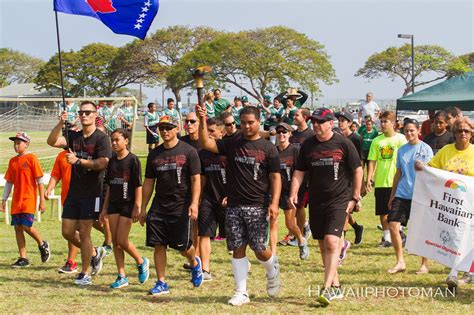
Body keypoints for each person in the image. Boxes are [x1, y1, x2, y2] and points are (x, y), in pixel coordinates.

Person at [197, 105, 282, 306]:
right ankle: (241, 292)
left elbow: (275, 177)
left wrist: (275, 203)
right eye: (243, 122)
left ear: (258, 122)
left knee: (260, 249)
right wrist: (202, 119)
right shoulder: (233, 142)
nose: (246, 126)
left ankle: (272, 270)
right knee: (237, 248)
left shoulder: (268, 148)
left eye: (250, 122)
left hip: (257, 205)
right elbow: (206, 143)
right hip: (234, 205)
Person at [289, 108, 363, 306]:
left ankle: (327, 288)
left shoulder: (343, 143)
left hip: (339, 200)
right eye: (314, 122)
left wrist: (356, 196)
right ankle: (337, 286)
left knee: (332, 242)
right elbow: (299, 171)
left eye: (320, 122)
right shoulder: (307, 145)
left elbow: (357, 169)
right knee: (323, 245)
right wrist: (294, 191)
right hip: (317, 200)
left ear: (331, 123)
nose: (316, 125)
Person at [47, 101, 111, 285]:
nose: (83, 115)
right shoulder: (73, 137)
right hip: (74, 192)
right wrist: (60, 124)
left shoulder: (101, 138)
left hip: (93, 192)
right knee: (67, 232)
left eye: (87, 112)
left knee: (84, 232)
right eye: (81, 112)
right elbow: (52, 141)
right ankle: (94, 253)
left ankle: (85, 273)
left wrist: (79, 161)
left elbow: (102, 163)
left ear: (94, 115)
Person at [141, 115, 203, 295]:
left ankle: (194, 262)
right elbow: (148, 182)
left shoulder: (189, 151)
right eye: (162, 128)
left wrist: (194, 203)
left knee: (183, 248)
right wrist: (143, 207)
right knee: (158, 244)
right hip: (159, 206)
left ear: (177, 129)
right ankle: (161, 282)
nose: (165, 131)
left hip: (181, 205)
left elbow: (195, 179)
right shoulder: (154, 154)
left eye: (169, 127)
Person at [417, 117, 473, 290]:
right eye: (459, 131)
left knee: (468, 238)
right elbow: (432, 170)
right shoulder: (446, 151)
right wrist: (422, 167)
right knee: (455, 238)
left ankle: (466, 272)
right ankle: (454, 274)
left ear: (471, 133)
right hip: (449, 204)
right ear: (454, 133)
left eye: (466, 131)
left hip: (470, 204)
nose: (462, 133)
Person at [99, 129, 150, 289]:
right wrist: (104, 209)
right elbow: (108, 186)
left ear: (126, 141)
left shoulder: (133, 160)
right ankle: (122, 276)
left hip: (128, 204)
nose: (114, 143)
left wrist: (138, 207)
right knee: (115, 242)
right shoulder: (112, 161)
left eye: (117, 140)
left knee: (122, 239)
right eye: (112, 140)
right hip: (113, 204)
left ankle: (141, 261)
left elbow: (138, 186)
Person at [386, 119, 433, 274]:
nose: (409, 133)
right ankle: (400, 261)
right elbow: (398, 173)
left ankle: (424, 264)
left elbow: (431, 172)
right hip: (402, 193)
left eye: (412, 130)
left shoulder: (426, 149)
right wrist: (392, 194)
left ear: (418, 130)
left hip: (420, 195)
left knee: (422, 229)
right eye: (406, 131)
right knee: (393, 225)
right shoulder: (401, 150)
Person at [1, 132, 50, 267]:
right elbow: (9, 182)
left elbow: (39, 180)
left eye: (19, 143)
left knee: (26, 226)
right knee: (17, 228)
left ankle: (42, 244)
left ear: (26, 144)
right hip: (17, 199)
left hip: (29, 198)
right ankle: (23, 258)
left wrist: (42, 200)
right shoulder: (13, 161)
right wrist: (4, 199)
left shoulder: (31, 158)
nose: (16, 146)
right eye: (14, 143)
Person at [366, 111, 407, 247]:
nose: (382, 124)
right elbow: (372, 160)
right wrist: (369, 178)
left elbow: (406, 160)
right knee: (383, 212)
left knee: (396, 212)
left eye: (385, 121)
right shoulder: (377, 141)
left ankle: (400, 233)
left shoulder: (401, 139)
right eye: (381, 121)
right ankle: (387, 238)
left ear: (393, 123)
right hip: (381, 182)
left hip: (397, 182)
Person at [269, 122, 308, 259]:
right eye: (279, 132)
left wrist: (296, 192)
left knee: (290, 224)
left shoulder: (295, 150)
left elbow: (301, 171)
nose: (281, 135)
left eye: (284, 132)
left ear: (290, 134)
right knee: (272, 221)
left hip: (289, 192)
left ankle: (301, 240)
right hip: (274, 192)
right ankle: (273, 255)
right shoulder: (273, 151)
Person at [197, 118, 228, 281]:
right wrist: (198, 198)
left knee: (232, 237)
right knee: (204, 234)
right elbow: (200, 178)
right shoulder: (202, 153)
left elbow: (238, 176)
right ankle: (205, 269)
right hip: (208, 200)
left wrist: (231, 194)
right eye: (206, 130)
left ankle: (242, 261)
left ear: (221, 133)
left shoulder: (229, 151)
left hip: (227, 200)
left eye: (212, 131)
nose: (208, 133)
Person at [282, 108, 313, 246]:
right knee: (294, 206)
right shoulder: (293, 135)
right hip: (294, 175)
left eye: (297, 115)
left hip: (306, 176)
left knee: (300, 207)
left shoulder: (311, 135)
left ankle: (300, 233)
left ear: (305, 117)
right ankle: (298, 232)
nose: (294, 117)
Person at [335, 112, 365, 248]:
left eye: (343, 120)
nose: (340, 123)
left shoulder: (356, 138)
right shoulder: (337, 138)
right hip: (340, 177)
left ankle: (342, 241)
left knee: (346, 209)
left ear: (350, 123)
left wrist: (361, 182)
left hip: (352, 177)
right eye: (339, 120)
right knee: (343, 209)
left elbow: (360, 162)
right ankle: (357, 227)